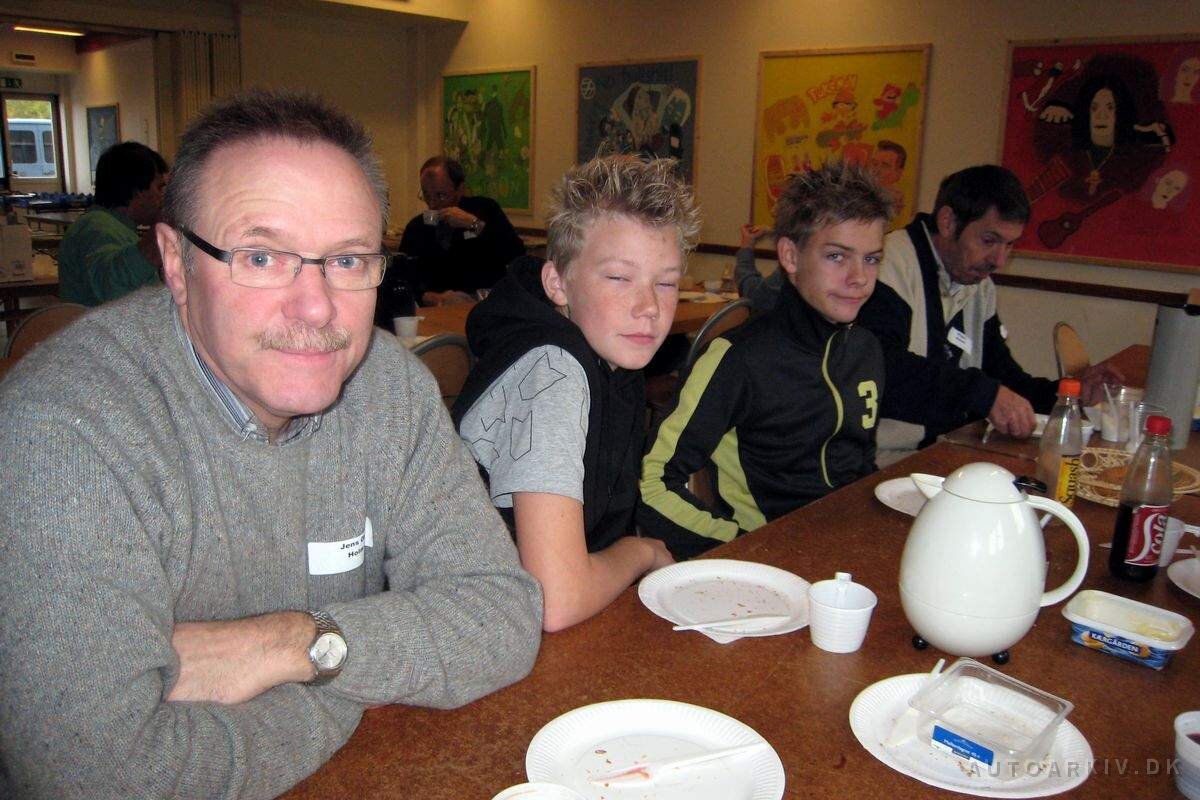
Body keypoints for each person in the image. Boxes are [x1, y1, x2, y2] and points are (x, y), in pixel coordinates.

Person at [0, 89, 542, 799]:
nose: (316, 306)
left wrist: (292, 644)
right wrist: (347, 692)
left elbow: (502, 616)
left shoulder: (390, 389)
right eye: (260, 257)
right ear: (175, 262)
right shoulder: (66, 433)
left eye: (348, 260)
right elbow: (93, 775)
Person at [452, 156, 697, 632]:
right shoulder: (555, 373)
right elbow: (557, 601)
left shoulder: (613, 356)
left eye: (666, 282)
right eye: (619, 278)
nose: (649, 307)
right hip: (475, 626)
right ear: (557, 283)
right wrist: (641, 552)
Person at [639, 161, 890, 558]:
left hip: (850, 553)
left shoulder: (866, 350)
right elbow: (650, 483)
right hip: (769, 559)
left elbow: (858, 468)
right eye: (837, 257)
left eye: (872, 259)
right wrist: (746, 548)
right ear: (790, 255)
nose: (859, 277)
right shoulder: (738, 359)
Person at [856, 165, 1122, 464]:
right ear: (947, 222)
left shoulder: (977, 284)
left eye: (1010, 245)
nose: (999, 260)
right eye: (989, 240)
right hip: (879, 459)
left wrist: (1068, 395)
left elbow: (1002, 377)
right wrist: (981, 393)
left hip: (944, 449)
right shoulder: (886, 265)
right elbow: (880, 369)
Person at [399, 155, 525, 305]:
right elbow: (403, 278)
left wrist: (474, 224)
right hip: (436, 306)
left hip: (484, 303)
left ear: (460, 189)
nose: (432, 204)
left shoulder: (485, 209)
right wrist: (434, 298)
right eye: (427, 195)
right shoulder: (417, 227)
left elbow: (516, 254)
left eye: (440, 195)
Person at [58, 141, 168, 306]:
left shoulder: (112, 226)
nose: (163, 197)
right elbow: (109, 285)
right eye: (159, 188)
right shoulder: (97, 228)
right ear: (137, 190)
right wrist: (160, 236)